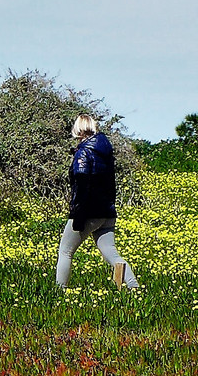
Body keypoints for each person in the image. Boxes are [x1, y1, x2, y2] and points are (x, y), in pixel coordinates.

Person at [56, 115, 139, 288]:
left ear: (78, 130)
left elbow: (82, 183)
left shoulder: (84, 152)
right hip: (107, 212)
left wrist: (78, 214)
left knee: (65, 251)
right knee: (112, 254)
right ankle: (134, 288)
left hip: (88, 212)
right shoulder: (105, 151)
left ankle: (59, 293)